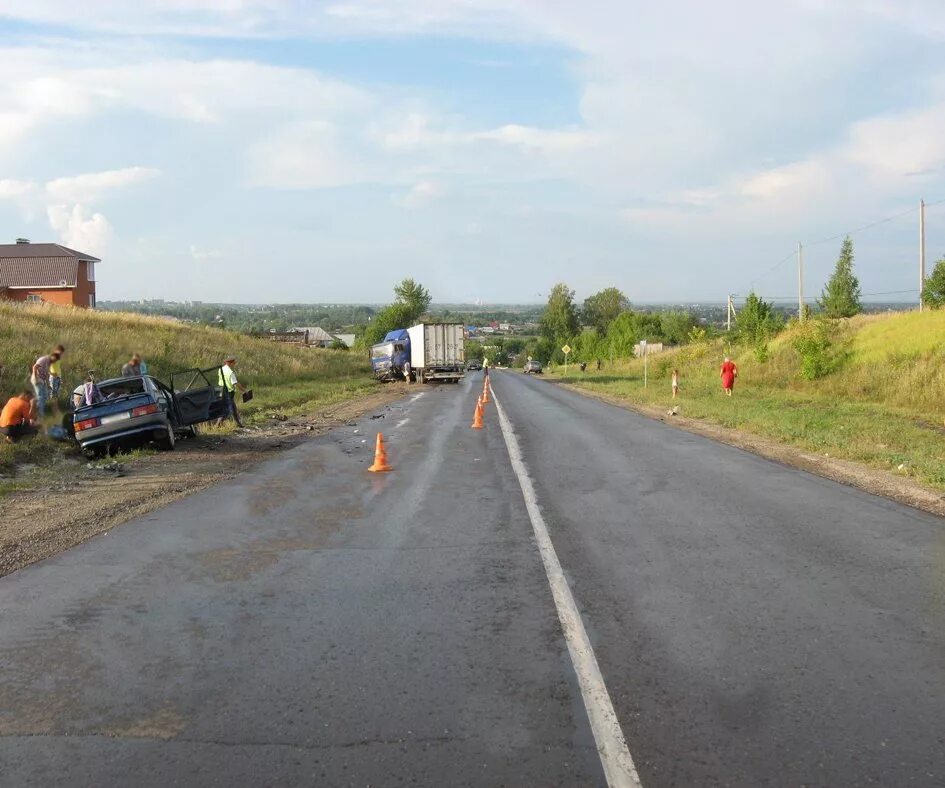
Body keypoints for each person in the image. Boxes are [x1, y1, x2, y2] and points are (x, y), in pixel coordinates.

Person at [30, 350, 60, 418]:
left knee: (45, 396)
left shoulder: (49, 362)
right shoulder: (44, 359)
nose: (54, 362)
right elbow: (35, 367)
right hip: (37, 379)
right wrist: (36, 378)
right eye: (55, 360)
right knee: (40, 397)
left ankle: (37, 410)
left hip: (42, 380)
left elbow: (46, 374)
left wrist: (48, 385)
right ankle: (40, 415)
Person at [218, 356, 246, 427]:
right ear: (230, 363)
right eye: (234, 362)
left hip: (221, 390)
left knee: (233, 408)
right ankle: (218, 425)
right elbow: (235, 383)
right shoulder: (230, 372)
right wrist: (244, 390)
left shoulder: (220, 369)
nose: (235, 364)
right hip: (229, 392)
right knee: (228, 409)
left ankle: (238, 424)